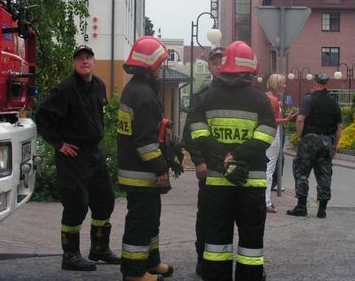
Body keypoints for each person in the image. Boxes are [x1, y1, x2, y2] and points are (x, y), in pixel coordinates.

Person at [188, 41, 276, 281]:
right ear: (251, 68)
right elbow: (266, 136)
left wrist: (222, 158)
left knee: (216, 241)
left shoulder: (206, 98)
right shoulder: (261, 101)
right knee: (251, 244)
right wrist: (236, 155)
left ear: (224, 66)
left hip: (217, 183)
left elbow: (197, 133)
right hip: (252, 184)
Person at [35, 45, 120, 272]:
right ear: (74, 63)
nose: (85, 61)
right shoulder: (66, 89)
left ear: (94, 61)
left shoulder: (99, 86)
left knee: (105, 200)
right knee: (76, 204)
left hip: (95, 153)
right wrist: (59, 144)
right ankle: (70, 256)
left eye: (88, 57)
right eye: (80, 58)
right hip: (73, 155)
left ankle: (99, 249)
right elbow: (42, 116)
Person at [117, 36, 173, 281]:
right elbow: (144, 141)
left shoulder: (135, 89)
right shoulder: (144, 96)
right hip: (141, 173)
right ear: (149, 66)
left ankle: (151, 263)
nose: (161, 69)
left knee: (150, 220)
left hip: (136, 171)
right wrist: (161, 168)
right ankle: (134, 273)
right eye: (159, 64)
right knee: (140, 223)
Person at [183, 46, 224, 279]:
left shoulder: (242, 94)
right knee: (207, 216)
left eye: (222, 62)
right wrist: (198, 161)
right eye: (215, 62)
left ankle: (225, 260)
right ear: (209, 67)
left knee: (235, 216)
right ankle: (202, 259)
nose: (219, 66)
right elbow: (190, 134)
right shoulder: (202, 96)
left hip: (234, 169)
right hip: (210, 169)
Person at [287, 73, 343, 219]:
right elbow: (340, 127)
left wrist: (299, 137)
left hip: (310, 139)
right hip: (326, 141)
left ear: (315, 83)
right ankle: (322, 209)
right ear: (326, 84)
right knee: (325, 173)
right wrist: (335, 144)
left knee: (302, 171)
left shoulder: (308, 99)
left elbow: (300, 120)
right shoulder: (333, 102)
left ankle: (301, 206)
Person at [265, 74, 296, 213]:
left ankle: (265, 200)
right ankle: (266, 202)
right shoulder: (273, 100)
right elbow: (272, 120)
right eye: (283, 83)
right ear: (277, 84)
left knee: (268, 167)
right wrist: (286, 119)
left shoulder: (268, 97)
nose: (285, 86)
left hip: (267, 135)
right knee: (269, 169)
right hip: (272, 135)